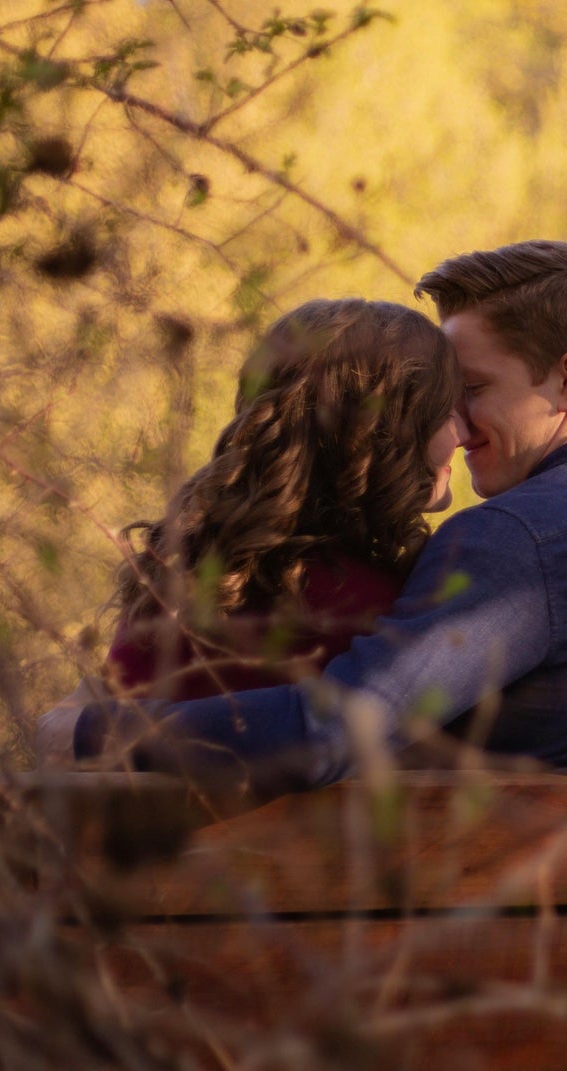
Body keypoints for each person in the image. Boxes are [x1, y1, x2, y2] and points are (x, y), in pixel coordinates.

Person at [73, 240, 567, 787]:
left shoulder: (511, 543)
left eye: (473, 388)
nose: (457, 425)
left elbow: (332, 733)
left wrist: (88, 731)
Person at [34, 297, 464, 756]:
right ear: (383, 434)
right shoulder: (377, 608)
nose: (462, 433)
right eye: (445, 411)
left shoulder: (175, 569)